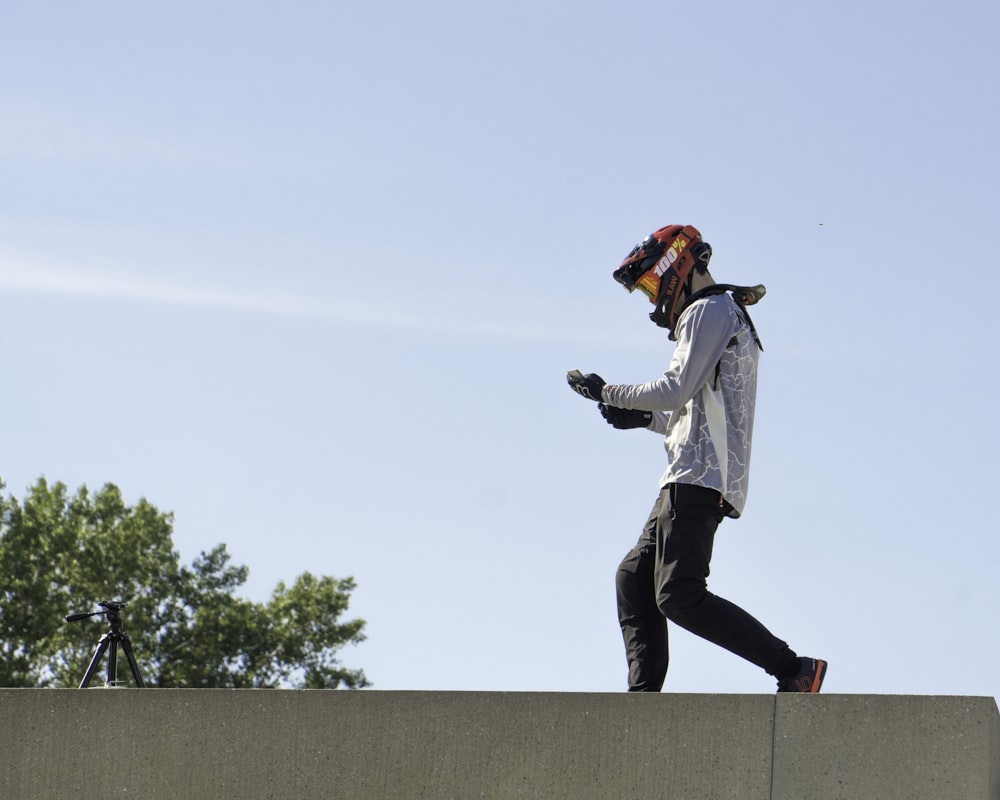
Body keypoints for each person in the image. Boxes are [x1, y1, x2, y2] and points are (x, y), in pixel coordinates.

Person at [567, 224, 827, 693]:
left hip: (699, 480)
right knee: (633, 578)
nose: (651, 300)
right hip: (691, 476)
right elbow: (695, 415)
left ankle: (793, 669)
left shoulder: (708, 310)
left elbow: (673, 391)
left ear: (677, 266)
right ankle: (643, 698)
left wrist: (608, 392)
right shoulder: (720, 313)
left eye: (650, 285)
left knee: (679, 595)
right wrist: (643, 421)